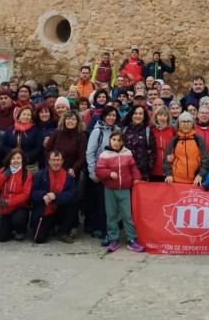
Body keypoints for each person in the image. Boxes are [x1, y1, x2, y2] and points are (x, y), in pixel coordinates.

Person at [94, 130, 145, 252]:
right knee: (111, 215)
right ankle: (113, 239)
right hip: (110, 189)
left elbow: (133, 167)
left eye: (119, 140)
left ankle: (132, 239)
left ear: (123, 142)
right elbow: (99, 170)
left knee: (127, 215)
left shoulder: (127, 153)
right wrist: (109, 173)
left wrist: (136, 177)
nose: (116, 142)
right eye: (114, 140)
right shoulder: (104, 155)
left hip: (125, 189)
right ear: (110, 140)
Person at [85, 103, 119, 243]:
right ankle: (101, 230)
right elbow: (90, 152)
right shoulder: (97, 131)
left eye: (114, 115)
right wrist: (92, 173)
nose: (111, 117)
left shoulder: (118, 130)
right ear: (104, 116)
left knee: (111, 204)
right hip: (100, 173)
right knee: (102, 203)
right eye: (109, 115)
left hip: (114, 173)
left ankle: (107, 229)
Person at [30, 149, 79, 243]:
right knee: (38, 239)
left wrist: (56, 196)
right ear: (49, 161)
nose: (56, 163)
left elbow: (72, 193)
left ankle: (62, 232)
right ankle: (50, 227)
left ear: (62, 161)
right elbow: (33, 192)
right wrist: (42, 195)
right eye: (53, 160)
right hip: (45, 208)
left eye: (58, 160)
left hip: (60, 208)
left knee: (74, 202)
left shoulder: (68, 176)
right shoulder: (40, 174)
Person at [0, 147, 32, 242]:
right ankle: (9, 228)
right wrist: (3, 177)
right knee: (1, 238)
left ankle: (21, 230)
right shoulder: (2, 171)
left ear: (22, 160)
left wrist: (9, 202)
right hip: (3, 207)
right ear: (9, 159)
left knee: (18, 219)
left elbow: (26, 194)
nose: (16, 160)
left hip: (19, 206)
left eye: (18, 158)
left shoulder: (26, 174)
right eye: (13, 158)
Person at [163, 112, 209, 186]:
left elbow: (206, 159)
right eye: (183, 122)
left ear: (192, 124)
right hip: (176, 180)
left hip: (195, 181)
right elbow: (166, 159)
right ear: (179, 125)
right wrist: (168, 174)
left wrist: (200, 175)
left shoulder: (199, 139)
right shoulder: (175, 140)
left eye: (188, 121)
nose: (186, 124)